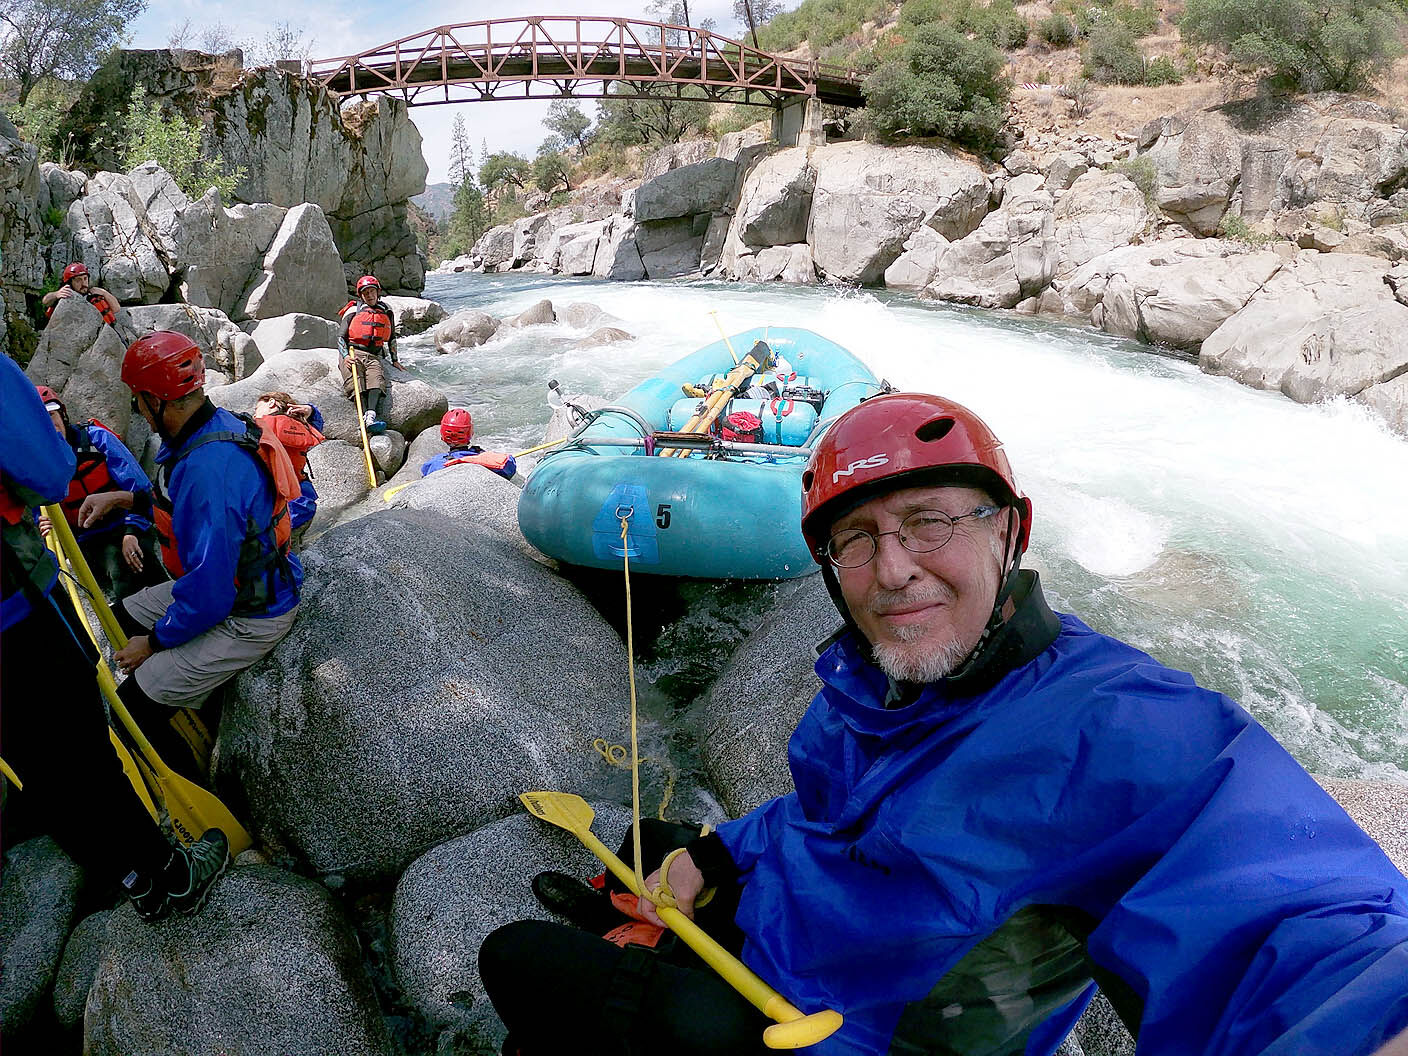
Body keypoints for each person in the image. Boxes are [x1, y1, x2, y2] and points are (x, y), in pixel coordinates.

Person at [479, 392, 1408, 1056]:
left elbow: (1293, 917)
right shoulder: (869, 682)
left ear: (1012, 531)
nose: (894, 570)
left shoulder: (1120, 723)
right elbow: (822, 818)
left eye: (929, 521)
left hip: (843, 1029)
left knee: (515, 959)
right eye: (859, 539)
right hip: (792, 933)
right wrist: (719, 859)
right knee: (658, 840)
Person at [0, 352, 228, 922]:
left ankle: (130, 879)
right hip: (20, 610)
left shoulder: (103, 445)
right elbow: (51, 475)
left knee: (38, 766)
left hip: (54, 582)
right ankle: (169, 876)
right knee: (83, 749)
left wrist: (126, 518)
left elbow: (144, 500)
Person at [113, 331, 303, 780]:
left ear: (157, 400)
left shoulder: (208, 469)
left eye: (138, 400)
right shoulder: (215, 426)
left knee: (130, 713)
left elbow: (211, 591)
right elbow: (176, 509)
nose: (136, 410)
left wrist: (155, 643)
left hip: (251, 612)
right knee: (121, 616)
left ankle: (182, 790)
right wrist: (121, 500)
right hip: (235, 585)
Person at [33, 384, 167, 602]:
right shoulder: (38, 467)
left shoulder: (96, 438)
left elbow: (140, 489)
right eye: (41, 421)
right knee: (118, 568)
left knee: (135, 559)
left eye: (52, 415)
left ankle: (169, 613)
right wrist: (42, 527)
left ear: (62, 414)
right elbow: (35, 515)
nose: (50, 425)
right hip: (87, 540)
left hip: (125, 523)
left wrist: (132, 531)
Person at [253, 391, 325, 546]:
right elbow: (317, 426)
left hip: (278, 508)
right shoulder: (302, 426)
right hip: (303, 502)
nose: (255, 413)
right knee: (291, 549)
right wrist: (311, 410)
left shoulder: (257, 429)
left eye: (257, 408)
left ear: (271, 402)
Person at [338, 274, 403, 436]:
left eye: (372, 291)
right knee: (356, 381)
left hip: (374, 355)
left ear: (377, 292)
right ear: (361, 295)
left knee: (376, 380)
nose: (369, 295)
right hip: (354, 351)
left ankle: (370, 415)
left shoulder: (386, 311)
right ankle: (364, 415)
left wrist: (395, 360)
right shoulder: (354, 310)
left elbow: (392, 337)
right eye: (365, 293)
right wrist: (345, 356)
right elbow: (340, 336)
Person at [421, 409, 518, 481]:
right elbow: (510, 466)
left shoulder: (435, 462)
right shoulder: (484, 458)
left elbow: (425, 475)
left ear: (443, 435)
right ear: (470, 433)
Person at [41, 262, 120, 326]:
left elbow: (116, 308)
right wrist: (56, 294)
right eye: (78, 280)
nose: (83, 283)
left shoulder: (93, 295)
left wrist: (104, 293)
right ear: (70, 282)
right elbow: (45, 301)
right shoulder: (65, 294)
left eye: (85, 279)